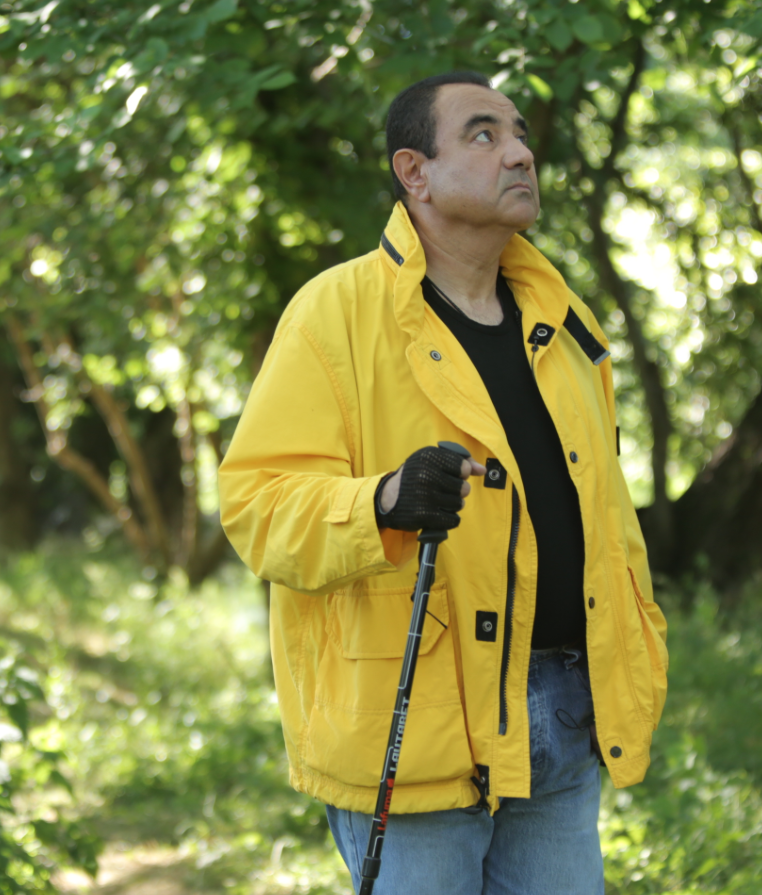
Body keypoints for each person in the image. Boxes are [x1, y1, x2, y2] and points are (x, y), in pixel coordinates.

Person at [217, 71, 668, 893]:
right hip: (417, 720)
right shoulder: (334, 313)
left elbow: (607, 517)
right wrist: (382, 500)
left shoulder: (566, 323)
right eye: (483, 134)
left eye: (520, 133)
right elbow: (256, 505)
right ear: (413, 172)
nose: (519, 153)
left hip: (564, 709)